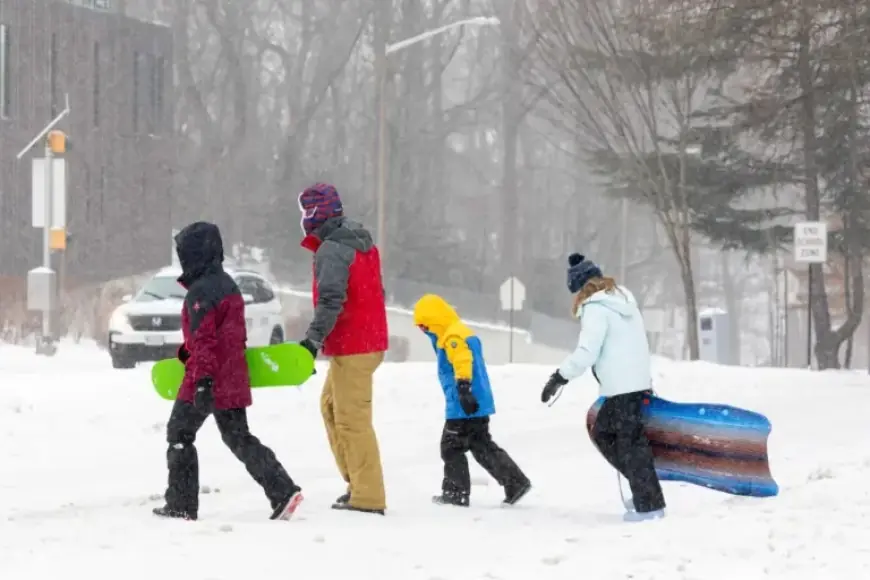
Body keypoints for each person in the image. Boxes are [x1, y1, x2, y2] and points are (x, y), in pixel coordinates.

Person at [153, 221, 303, 522]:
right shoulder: (228, 285)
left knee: (179, 432)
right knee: (238, 437)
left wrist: (202, 381)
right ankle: (282, 489)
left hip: (207, 377)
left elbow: (205, 341)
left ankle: (181, 504)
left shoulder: (201, 292)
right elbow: (226, 336)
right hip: (233, 374)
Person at [540, 253, 665, 522]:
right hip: (636, 383)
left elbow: (587, 351)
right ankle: (645, 493)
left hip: (621, 388)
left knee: (621, 441)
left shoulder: (595, 307)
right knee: (616, 437)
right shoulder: (623, 298)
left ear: (580, 288)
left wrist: (559, 377)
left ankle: (650, 504)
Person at [297, 183, 388, 515]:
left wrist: (312, 340)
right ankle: (357, 483)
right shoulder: (359, 242)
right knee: (331, 407)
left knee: (352, 421)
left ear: (314, 213)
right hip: (363, 342)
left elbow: (331, 300)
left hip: (355, 345)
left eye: (304, 211)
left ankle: (368, 496)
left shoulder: (333, 249)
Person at [413, 293, 531, 507]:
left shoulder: (452, 336)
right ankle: (515, 482)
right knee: (481, 445)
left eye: (424, 325)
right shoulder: (460, 331)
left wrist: (463, 388)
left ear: (434, 319)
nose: (423, 330)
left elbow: (462, 359)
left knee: (451, 447)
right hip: (476, 401)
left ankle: (456, 492)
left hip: (463, 403)